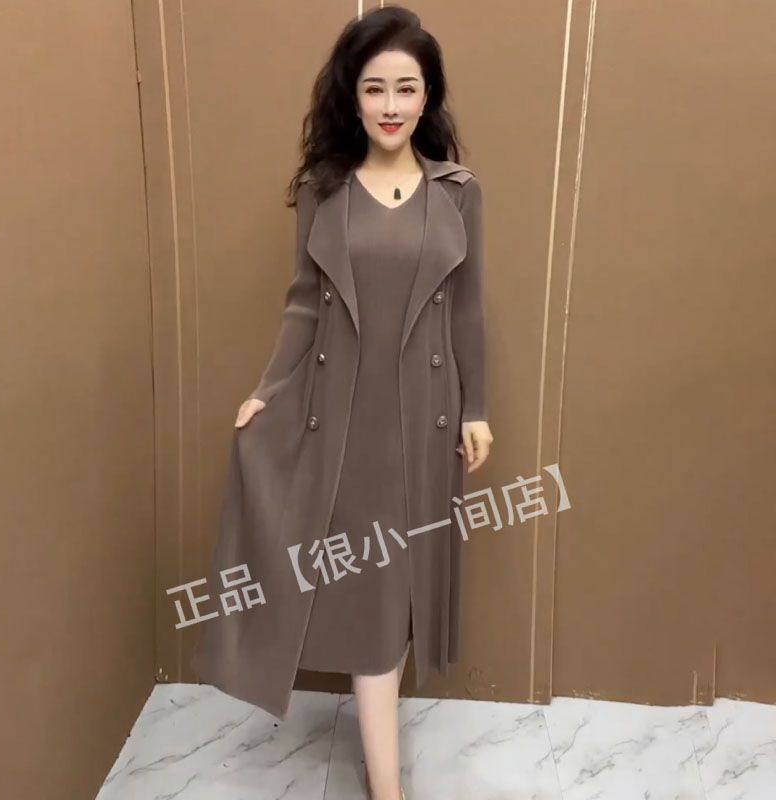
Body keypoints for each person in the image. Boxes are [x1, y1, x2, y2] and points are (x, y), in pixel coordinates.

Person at [204, 7, 492, 800]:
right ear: (352, 96)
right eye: (375, 88)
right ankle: (386, 782)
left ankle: (382, 770)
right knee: (372, 597)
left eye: (407, 87)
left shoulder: (459, 194)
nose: (391, 105)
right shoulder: (322, 191)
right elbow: (304, 305)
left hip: (422, 420)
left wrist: (476, 408)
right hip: (338, 418)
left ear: (428, 97)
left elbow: (467, 309)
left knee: (393, 591)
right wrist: (266, 392)